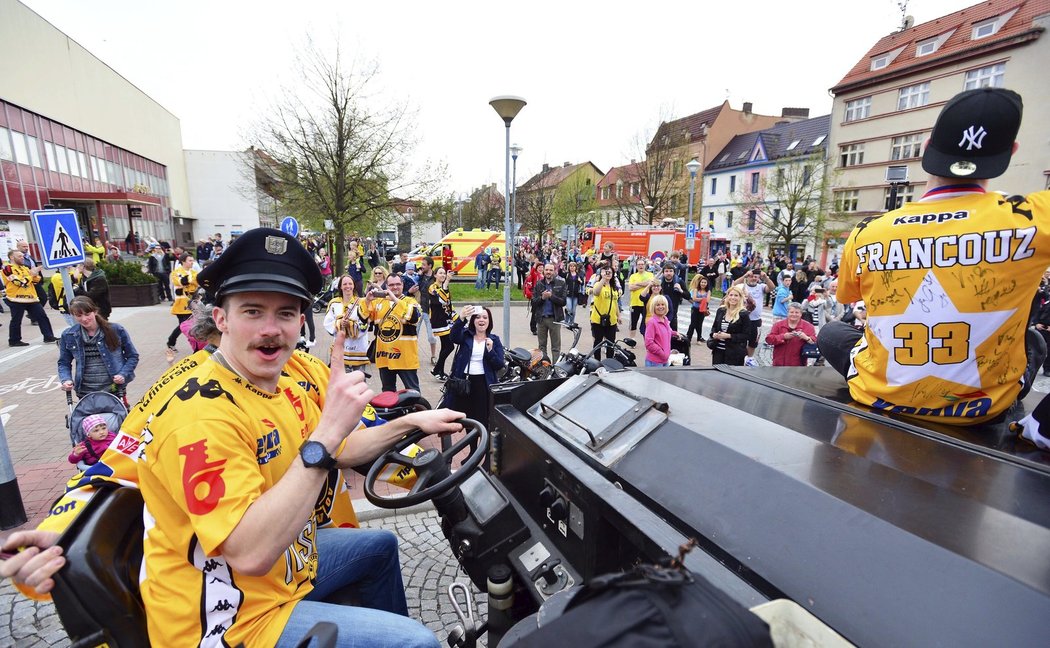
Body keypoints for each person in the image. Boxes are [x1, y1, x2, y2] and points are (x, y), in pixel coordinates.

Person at [128, 228, 458, 647]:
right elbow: (248, 553)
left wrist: (413, 424)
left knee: (378, 546)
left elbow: (341, 449)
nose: (271, 329)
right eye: (252, 312)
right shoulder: (199, 414)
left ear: (301, 322)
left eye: (285, 313)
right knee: (417, 642)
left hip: (283, 573)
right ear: (221, 319)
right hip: (227, 615)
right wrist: (327, 433)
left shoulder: (282, 379)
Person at [818, 87, 1050, 428]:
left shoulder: (868, 230)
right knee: (1034, 340)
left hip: (880, 394)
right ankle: (1007, 398)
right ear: (1011, 153)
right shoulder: (1033, 217)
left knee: (832, 333)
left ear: (926, 149)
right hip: (981, 408)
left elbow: (851, 298)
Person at [58, 296, 139, 399]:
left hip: (114, 389)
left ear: (95, 311)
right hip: (85, 392)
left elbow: (133, 356)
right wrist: (66, 380)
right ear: (73, 316)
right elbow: (64, 362)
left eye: (87, 314)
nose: (84, 319)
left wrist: (123, 374)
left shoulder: (116, 330)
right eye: (78, 315)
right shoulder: (68, 335)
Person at [442, 305, 505, 428]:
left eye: (485, 317)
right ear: (473, 321)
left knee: (482, 417)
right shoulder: (466, 335)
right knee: (466, 417)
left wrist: (490, 350)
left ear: (489, 321)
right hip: (464, 382)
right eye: (478, 317)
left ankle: (482, 445)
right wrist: (461, 318)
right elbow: (453, 337)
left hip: (483, 383)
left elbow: (499, 365)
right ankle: (471, 444)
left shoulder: (494, 339)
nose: (481, 320)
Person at [365, 272, 423, 391]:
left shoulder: (410, 301)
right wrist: (367, 301)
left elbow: (414, 317)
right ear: (386, 286)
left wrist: (395, 299)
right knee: (387, 392)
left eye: (398, 284)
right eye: (391, 285)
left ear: (402, 285)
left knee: (413, 392)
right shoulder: (379, 302)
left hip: (405, 358)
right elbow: (364, 320)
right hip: (385, 357)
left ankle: (417, 410)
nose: (395, 287)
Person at [3, 248, 57, 346]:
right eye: (19, 256)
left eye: (22, 256)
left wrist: (35, 274)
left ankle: (48, 336)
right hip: (16, 298)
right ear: (11, 257)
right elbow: (19, 282)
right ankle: (14, 340)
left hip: (31, 298)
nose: (22, 258)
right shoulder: (7, 269)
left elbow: (35, 282)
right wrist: (31, 275)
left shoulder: (25, 268)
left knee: (42, 316)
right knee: (16, 320)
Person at [323, 275, 369, 374]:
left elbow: (365, 324)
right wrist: (339, 323)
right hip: (340, 348)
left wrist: (351, 325)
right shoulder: (333, 303)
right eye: (344, 284)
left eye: (350, 284)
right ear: (340, 287)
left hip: (358, 349)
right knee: (341, 381)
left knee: (359, 381)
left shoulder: (362, 303)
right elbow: (327, 323)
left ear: (354, 286)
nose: (347, 286)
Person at [733, 268, 774, 366]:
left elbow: (772, 287)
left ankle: (750, 359)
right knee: (740, 340)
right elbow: (734, 284)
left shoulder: (761, 287)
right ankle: (740, 358)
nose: (753, 278)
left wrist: (766, 278)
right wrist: (745, 276)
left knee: (753, 342)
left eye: (756, 277)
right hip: (742, 319)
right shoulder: (742, 286)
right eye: (751, 276)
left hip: (755, 320)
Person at [531, 263, 566, 361]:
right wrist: (542, 298)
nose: (548, 272)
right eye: (546, 270)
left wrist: (551, 297)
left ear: (554, 271)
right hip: (541, 319)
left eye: (550, 270)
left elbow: (563, 302)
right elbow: (534, 301)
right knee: (542, 346)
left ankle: (555, 367)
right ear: (543, 271)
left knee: (556, 347)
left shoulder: (561, 283)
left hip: (555, 319)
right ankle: (544, 366)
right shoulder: (539, 283)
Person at [708, 285, 750, 366]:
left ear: (740, 298)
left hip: (735, 353)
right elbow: (714, 328)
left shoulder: (743, 314)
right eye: (731, 295)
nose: (733, 298)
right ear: (727, 296)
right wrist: (714, 334)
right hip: (718, 351)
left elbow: (746, 335)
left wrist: (729, 336)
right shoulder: (721, 310)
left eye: (736, 295)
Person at [587, 264, 620, 361]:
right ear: (601, 273)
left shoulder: (614, 287)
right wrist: (603, 279)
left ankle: (609, 361)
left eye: (610, 271)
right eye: (605, 271)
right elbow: (596, 292)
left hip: (611, 320)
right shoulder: (598, 284)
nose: (608, 273)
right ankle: (597, 362)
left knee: (610, 342)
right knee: (598, 341)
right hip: (598, 319)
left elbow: (615, 302)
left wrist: (619, 316)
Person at [428, 267, 456, 380]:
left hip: (447, 319)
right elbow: (442, 300)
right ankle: (437, 369)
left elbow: (449, 304)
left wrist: (457, 318)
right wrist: (447, 282)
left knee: (445, 346)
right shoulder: (432, 287)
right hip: (438, 320)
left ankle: (439, 371)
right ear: (435, 275)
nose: (443, 275)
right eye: (440, 273)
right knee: (449, 346)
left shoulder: (444, 286)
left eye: (444, 273)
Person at [166, 253, 197, 351]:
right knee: (184, 326)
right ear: (183, 261)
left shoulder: (193, 272)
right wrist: (187, 282)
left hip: (193, 303)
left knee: (188, 325)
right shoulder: (176, 272)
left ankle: (171, 341)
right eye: (190, 260)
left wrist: (188, 282)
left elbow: (196, 282)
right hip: (181, 304)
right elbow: (179, 282)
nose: (192, 262)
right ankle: (171, 342)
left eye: (193, 260)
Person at [415, 257, 439, 363]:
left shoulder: (435, 278)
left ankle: (433, 356)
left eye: (424, 264)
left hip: (430, 311)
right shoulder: (420, 277)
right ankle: (413, 355)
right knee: (414, 334)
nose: (422, 266)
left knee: (431, 336)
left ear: (430, 266)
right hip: (419, 309)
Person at [48, 264, 83, 328]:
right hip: (65, 306)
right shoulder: (56, 277)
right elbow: (73, 280)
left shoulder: (70, 273)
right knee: (76, 328)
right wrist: (77, 269)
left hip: (76, 303)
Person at [627, 257, 654, 336]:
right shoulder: (633, 276)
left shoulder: (650, 274)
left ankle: (647, 338)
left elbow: (650, 283)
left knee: (647, 322)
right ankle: (632, 339)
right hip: (635, 303)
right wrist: (644, 284)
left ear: (645, 265)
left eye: (642, 264)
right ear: (636, 266)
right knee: (633, 323)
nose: (641, 266)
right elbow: (631, 288)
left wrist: (637, 284)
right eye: (639, 264)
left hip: (646, 303)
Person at [644, 295, 672, 367]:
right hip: (655, 362)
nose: (660, 307)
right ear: (653, 307)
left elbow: (667, 332)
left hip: (665, 361)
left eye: (663, 304)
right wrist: (662, 354)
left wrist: (675, 333)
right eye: (657, 305)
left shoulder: (665, 319)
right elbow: (649, 343)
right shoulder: (652, 322)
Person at [685, 275, 710, 344]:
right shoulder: (695, 289)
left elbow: (707, 300)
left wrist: (699, 299)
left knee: (699, 324)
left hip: (702, 310)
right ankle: (688, 338)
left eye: (705, 282)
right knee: (693, 324)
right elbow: (694, 298)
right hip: (695, 308)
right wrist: (703, 299)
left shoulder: (708, 291)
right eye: (702, 282)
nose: (703, 284)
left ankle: (699, 338)